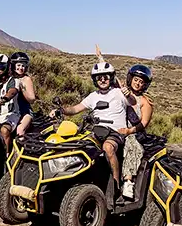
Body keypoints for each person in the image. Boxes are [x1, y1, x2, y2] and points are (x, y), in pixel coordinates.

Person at [51, 61, 136, 192]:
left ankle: (116, 185)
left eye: (106, 77)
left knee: (108, 147)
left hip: (115, 132)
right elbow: (75, 109)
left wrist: (128, 95)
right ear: (95, 80)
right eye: (99, 77)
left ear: (111, 78)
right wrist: (61, 110)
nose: (103, 80)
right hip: (97, 131)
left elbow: (132, 102)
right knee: (77, 146)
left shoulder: (119, 93)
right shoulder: (93, 96)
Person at [117, 64, 154, 199]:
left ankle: (128, 181)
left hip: (134, 133)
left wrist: (129, 131)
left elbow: (143, 123)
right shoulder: (122, 92)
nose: (137, 83)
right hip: (117, 128)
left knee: (131, 146)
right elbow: (113, 78)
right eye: (136, 80)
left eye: (141, 82)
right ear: (130, 79)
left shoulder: (146, 102)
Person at [10, 52, 36, 137]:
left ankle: (19, 149)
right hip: (10, 110)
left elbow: (32, 99)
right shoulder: (9, 78)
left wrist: (22, 89)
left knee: (20, 130)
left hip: (24, 111)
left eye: (23, 66)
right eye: (18, 65)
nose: (21, 68)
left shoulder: (26, 79)